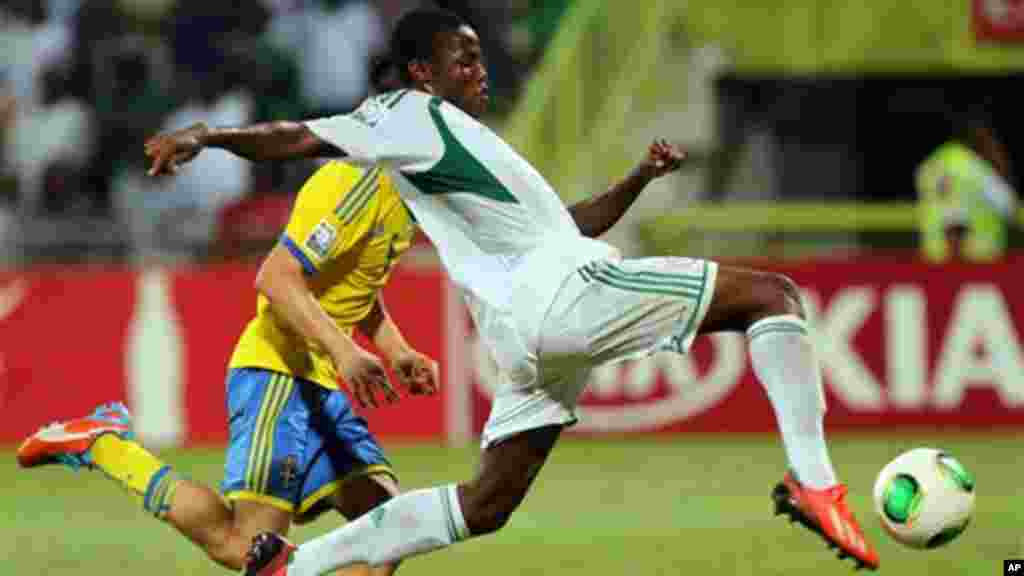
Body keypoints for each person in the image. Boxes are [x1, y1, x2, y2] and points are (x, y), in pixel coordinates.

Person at [141, 8, 880, 572]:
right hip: (565, 298)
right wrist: (209, 136)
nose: (480, 70)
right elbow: (295, 137)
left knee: (483, 504)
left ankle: (296, 565)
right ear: (420, 73)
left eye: (481, 58)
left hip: (526, 330)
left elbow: (566, 224)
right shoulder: (406, 115)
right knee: (775, 296)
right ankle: (815, 484)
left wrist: (638, 179)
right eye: (462, 59)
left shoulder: (463, 147)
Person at [17, 128, 440, 574]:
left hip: (318, 381)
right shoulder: (357, 185)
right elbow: (276, 278)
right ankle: (106, 447)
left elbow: (351, 280)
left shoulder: (406, 202)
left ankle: (102, 441)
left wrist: (396, 350)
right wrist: (345, 351)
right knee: (246, 547)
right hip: (279, 371)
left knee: (389, 528)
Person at [916, 112, 1017, 263]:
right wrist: (1001, 168)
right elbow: (1008, 206)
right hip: (977, 260)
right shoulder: (974, 166)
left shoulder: (929, 165)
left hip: (933, 260)